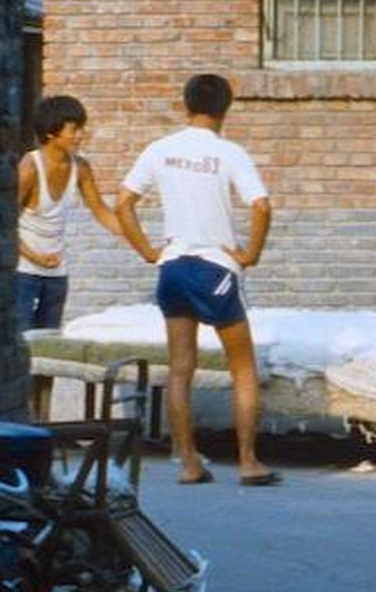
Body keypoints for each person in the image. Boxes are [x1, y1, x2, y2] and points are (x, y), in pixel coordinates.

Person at [116, 74, 279, 486]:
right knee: (242, 368)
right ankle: (247, 461)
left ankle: (188, 463)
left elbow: (123, 203)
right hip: (215, 268)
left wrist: (149, 251)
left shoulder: (160, 150)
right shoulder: (229, 153)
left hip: (173, 267)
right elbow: (261, 206)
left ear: (185, 104)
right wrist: (251, 255)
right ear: (226, 107)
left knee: (179, 369)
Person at [16, 94, 122, 418]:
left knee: (48, 354)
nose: (79, 136)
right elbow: (4, 222)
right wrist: (34, 255)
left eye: (81, 129)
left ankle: (44, 423)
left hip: (56, 275)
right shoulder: (29, 167)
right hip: (23, 272)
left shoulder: (81, 167)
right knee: (22, 351)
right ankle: (22, 420)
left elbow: (101, 210)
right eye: (73, 129)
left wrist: (137, 238)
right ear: (51, 132)